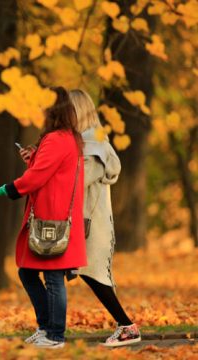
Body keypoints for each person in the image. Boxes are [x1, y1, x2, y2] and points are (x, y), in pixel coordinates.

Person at [0, 86, 86, 349]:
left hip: (52, 220)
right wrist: (33, 159)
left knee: (52, 278)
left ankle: (55, 336)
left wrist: (2, 191)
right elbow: (46, 173)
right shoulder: (69, 138)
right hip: (56, 218)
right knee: (28, 272)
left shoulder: (56, 139)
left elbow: (35, 179)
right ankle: (45, 328)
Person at [69, 89, 141, 347]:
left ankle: (127, 326)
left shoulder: (92, 148)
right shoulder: (88, 143)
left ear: (76, 111)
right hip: (88, 224)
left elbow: (76, 184)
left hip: (93, 226)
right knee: (88, 275)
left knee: (94, 276)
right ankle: (48, 328)